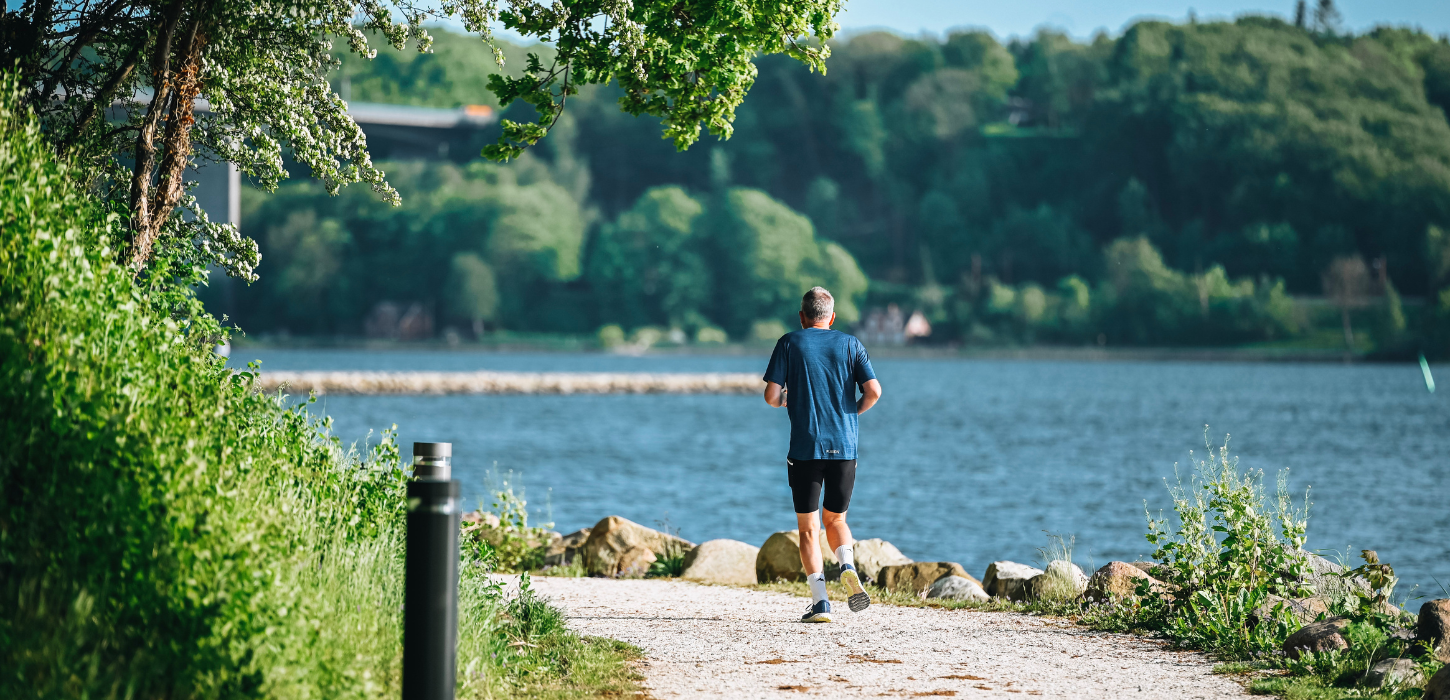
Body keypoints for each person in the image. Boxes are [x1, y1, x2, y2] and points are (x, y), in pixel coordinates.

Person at [763, 286, 883, 622]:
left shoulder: (790, 342)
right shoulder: (850, 344)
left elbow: (771, 396)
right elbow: (874, 391)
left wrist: (789, 398)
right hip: (845, 448)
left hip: (805, 449)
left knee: (808, 529)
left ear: (802, 317)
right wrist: (851, 412)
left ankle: (821, 603)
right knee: (837, 520)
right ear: (831, 317)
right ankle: (846, 564)